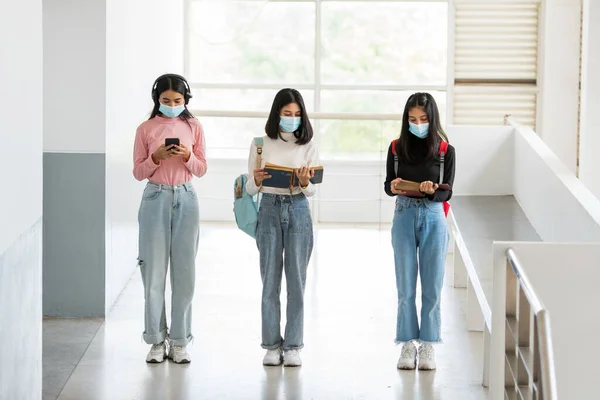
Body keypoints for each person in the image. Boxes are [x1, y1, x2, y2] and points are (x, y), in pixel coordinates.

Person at [133, 74, 207, 364]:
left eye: (177, 101)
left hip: (187, 199)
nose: (172, 105)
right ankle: (155, 339)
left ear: (185, 100)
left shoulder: (194, 126)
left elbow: (201, 169)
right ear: (157, 100)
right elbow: (138, 172)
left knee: (184, 272)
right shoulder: (146, 128)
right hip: (155, 198)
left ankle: (179, 340)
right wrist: (157, 157)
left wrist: (187, 155)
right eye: (166, 101)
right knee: (152, 272)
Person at [246, 88, 319, 367]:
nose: (292, 119)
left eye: (297, 114)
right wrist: (255, 178)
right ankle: (271, 345)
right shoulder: (261, 143)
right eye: (287, 114)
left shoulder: (308, 146)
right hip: (268, 207)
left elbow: (311, 191)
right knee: (270, 280)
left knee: (297, 281)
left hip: (298, 207)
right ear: (277, 114)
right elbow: (251, 188)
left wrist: (303, 181)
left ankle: (293, 346)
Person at [384, 92, 456, 370]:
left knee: (432, 284)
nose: (418, 124)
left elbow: (448, 191)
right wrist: (393, 187)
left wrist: (431, 191)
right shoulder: (395, 148)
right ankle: (406, 343)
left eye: (423, 119)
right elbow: (389, 185)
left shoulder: (445, 151)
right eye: (412, 119)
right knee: (405, 284)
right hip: (403, 214)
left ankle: (428, 344)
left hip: (433, 217)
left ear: (432, 119)